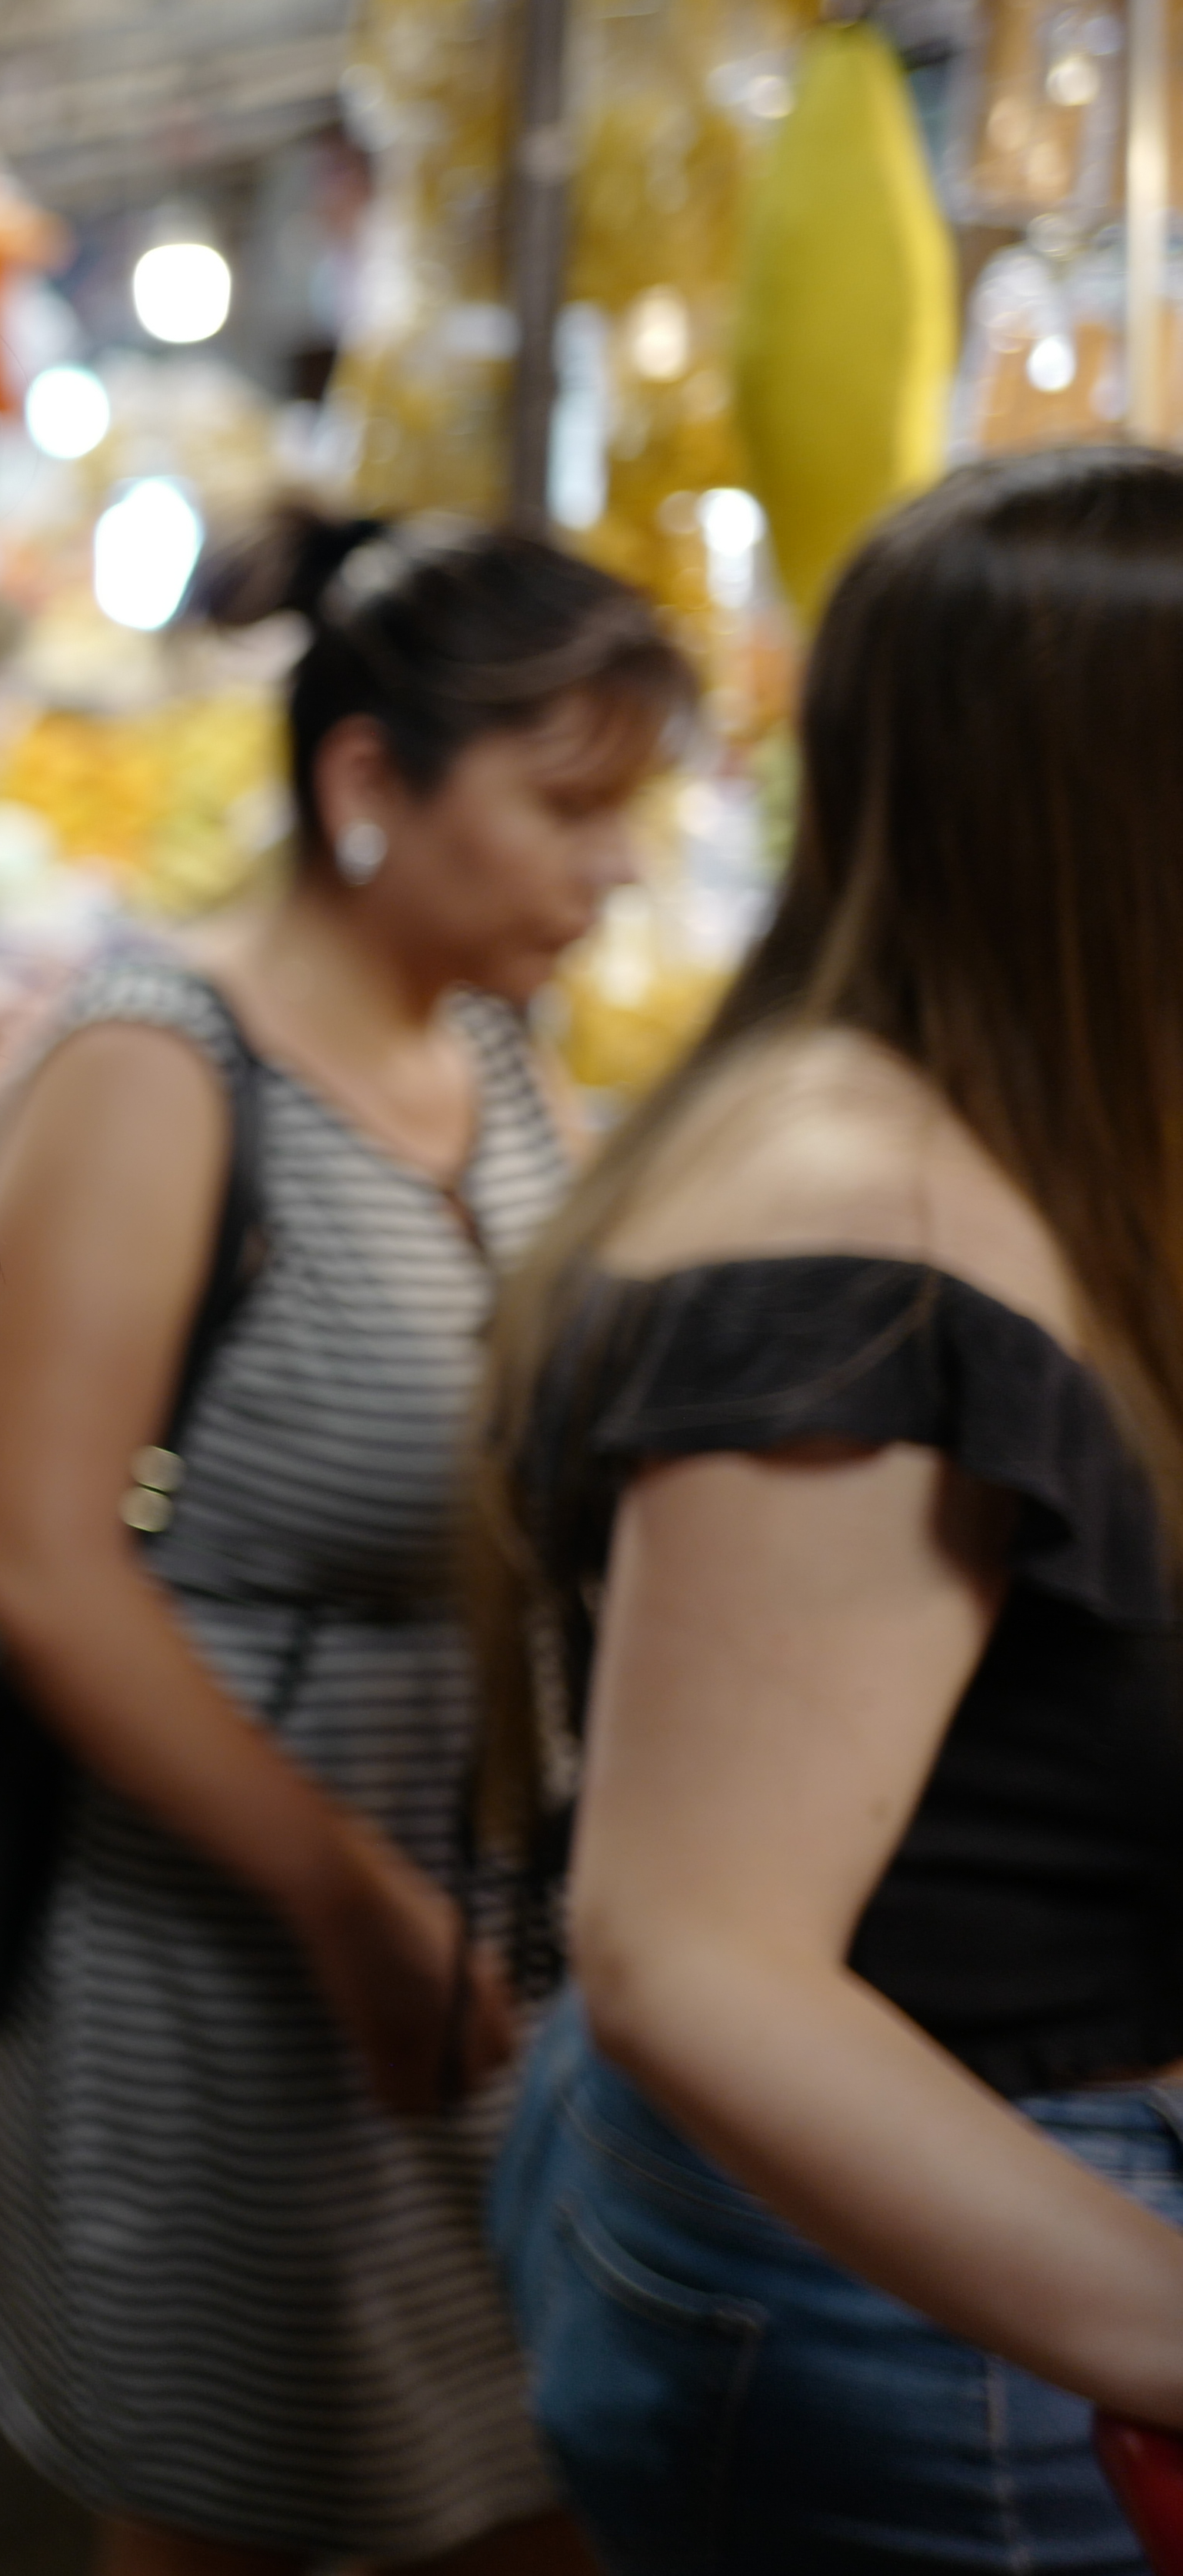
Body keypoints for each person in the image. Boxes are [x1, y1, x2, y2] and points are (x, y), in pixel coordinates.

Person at [0, 518, 688, 2576]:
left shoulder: (496, 1064)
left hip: (488, 1946)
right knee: (247, 2503)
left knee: (514, 2484)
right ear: (370, 786)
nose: (613, 869)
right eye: (566, 807)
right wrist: (342, 1895)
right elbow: (35, 1557)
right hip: (220, 1946)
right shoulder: (162, 1070)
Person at [472, 446, 1183, 2575]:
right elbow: (690, 1952)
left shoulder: (891, 1112)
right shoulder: (865, 1237)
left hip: (890, 2240)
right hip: (925, 2295)